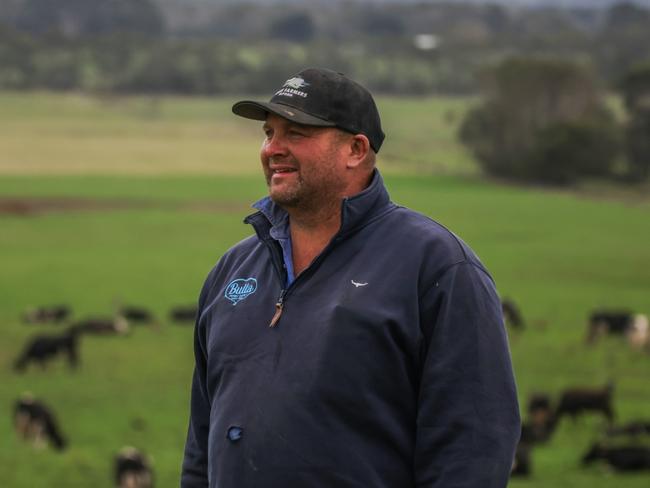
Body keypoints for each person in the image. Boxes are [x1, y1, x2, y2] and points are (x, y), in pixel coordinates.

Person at [181, 67, 520, 488]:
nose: (273, 149)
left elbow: (472, 450)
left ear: (356, 150)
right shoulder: (232, 272)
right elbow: (200, 445)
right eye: (269, 133)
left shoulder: (436, 267)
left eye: (297, 134)